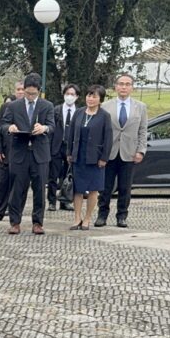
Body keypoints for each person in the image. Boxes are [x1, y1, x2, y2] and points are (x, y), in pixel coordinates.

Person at [1, 72, 55, 235]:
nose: (30, 96)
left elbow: (52, 126)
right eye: (27, 93)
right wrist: (10, 128)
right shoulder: (14, 106)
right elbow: (3, 124)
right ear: (23, 90)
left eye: (34, 93)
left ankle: (38, 222)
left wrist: (44, 128)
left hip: (39, 153)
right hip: (19, 152)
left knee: (39, 189)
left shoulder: (47, 106)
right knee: (18, 188)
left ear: (39, 91)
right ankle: (15, 222)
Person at [95, 73, 147, 228]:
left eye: (127, 84)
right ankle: (102, 215)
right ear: (115, 86)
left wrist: (141, 150)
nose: (124, 87)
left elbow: (143, 130)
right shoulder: (105, 106)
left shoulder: (140, 107)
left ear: (132, 87)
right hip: (109, 152)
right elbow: (100, 130)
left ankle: (122, 216)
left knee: (125, 187)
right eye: (121, 84)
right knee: (105, 187)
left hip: (129, 153)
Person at [66, 85, 112, 230]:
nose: (90, 99)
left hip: (95, 158)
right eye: (89, 95)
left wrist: (104, 157)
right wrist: (69, 153)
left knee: (93, 189)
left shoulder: (104, 116)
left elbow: (108, 138)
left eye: (94, 96)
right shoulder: (79, 113)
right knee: (78, 189)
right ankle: (77, 217)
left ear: (100, 99)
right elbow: (71, 134)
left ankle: (87, 218)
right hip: (78, 156)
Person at [0, 82, 23, 222]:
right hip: (6, 151)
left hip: (22, 151)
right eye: (18, 89)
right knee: (2, 183)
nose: (20, 92)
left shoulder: (30, 108)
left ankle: (16, 211)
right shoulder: (7, 107)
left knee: (19, 184)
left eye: (23, 89)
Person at [49, 84, 79, 211]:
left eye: (72, 94)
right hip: (56, 146)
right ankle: (51, 201)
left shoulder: (79, 112)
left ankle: (65, 201)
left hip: (70, 148)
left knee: (68, 175)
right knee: (53, 175)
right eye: (67, 94)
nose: (70, 97)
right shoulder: (56, 110)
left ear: (77, 96)